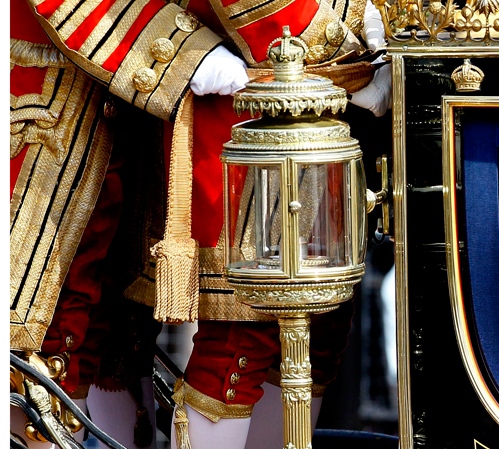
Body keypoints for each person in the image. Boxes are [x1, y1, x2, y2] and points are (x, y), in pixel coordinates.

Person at [11, 0, 391, 445]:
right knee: (52, 338)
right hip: (103, 74)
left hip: (211, 73)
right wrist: (342, 50)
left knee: (294, 327)